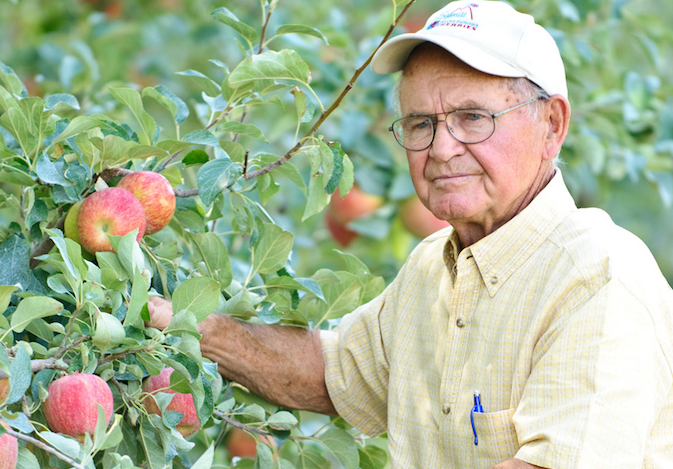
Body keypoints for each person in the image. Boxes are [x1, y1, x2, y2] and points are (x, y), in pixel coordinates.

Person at [148, 1, 673, 467]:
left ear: (552, 125)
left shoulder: (598, 274)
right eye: (421, 123)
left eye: (473, 118)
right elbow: (333, 370)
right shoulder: (432, 267)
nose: (442, 148)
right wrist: (188, 326)